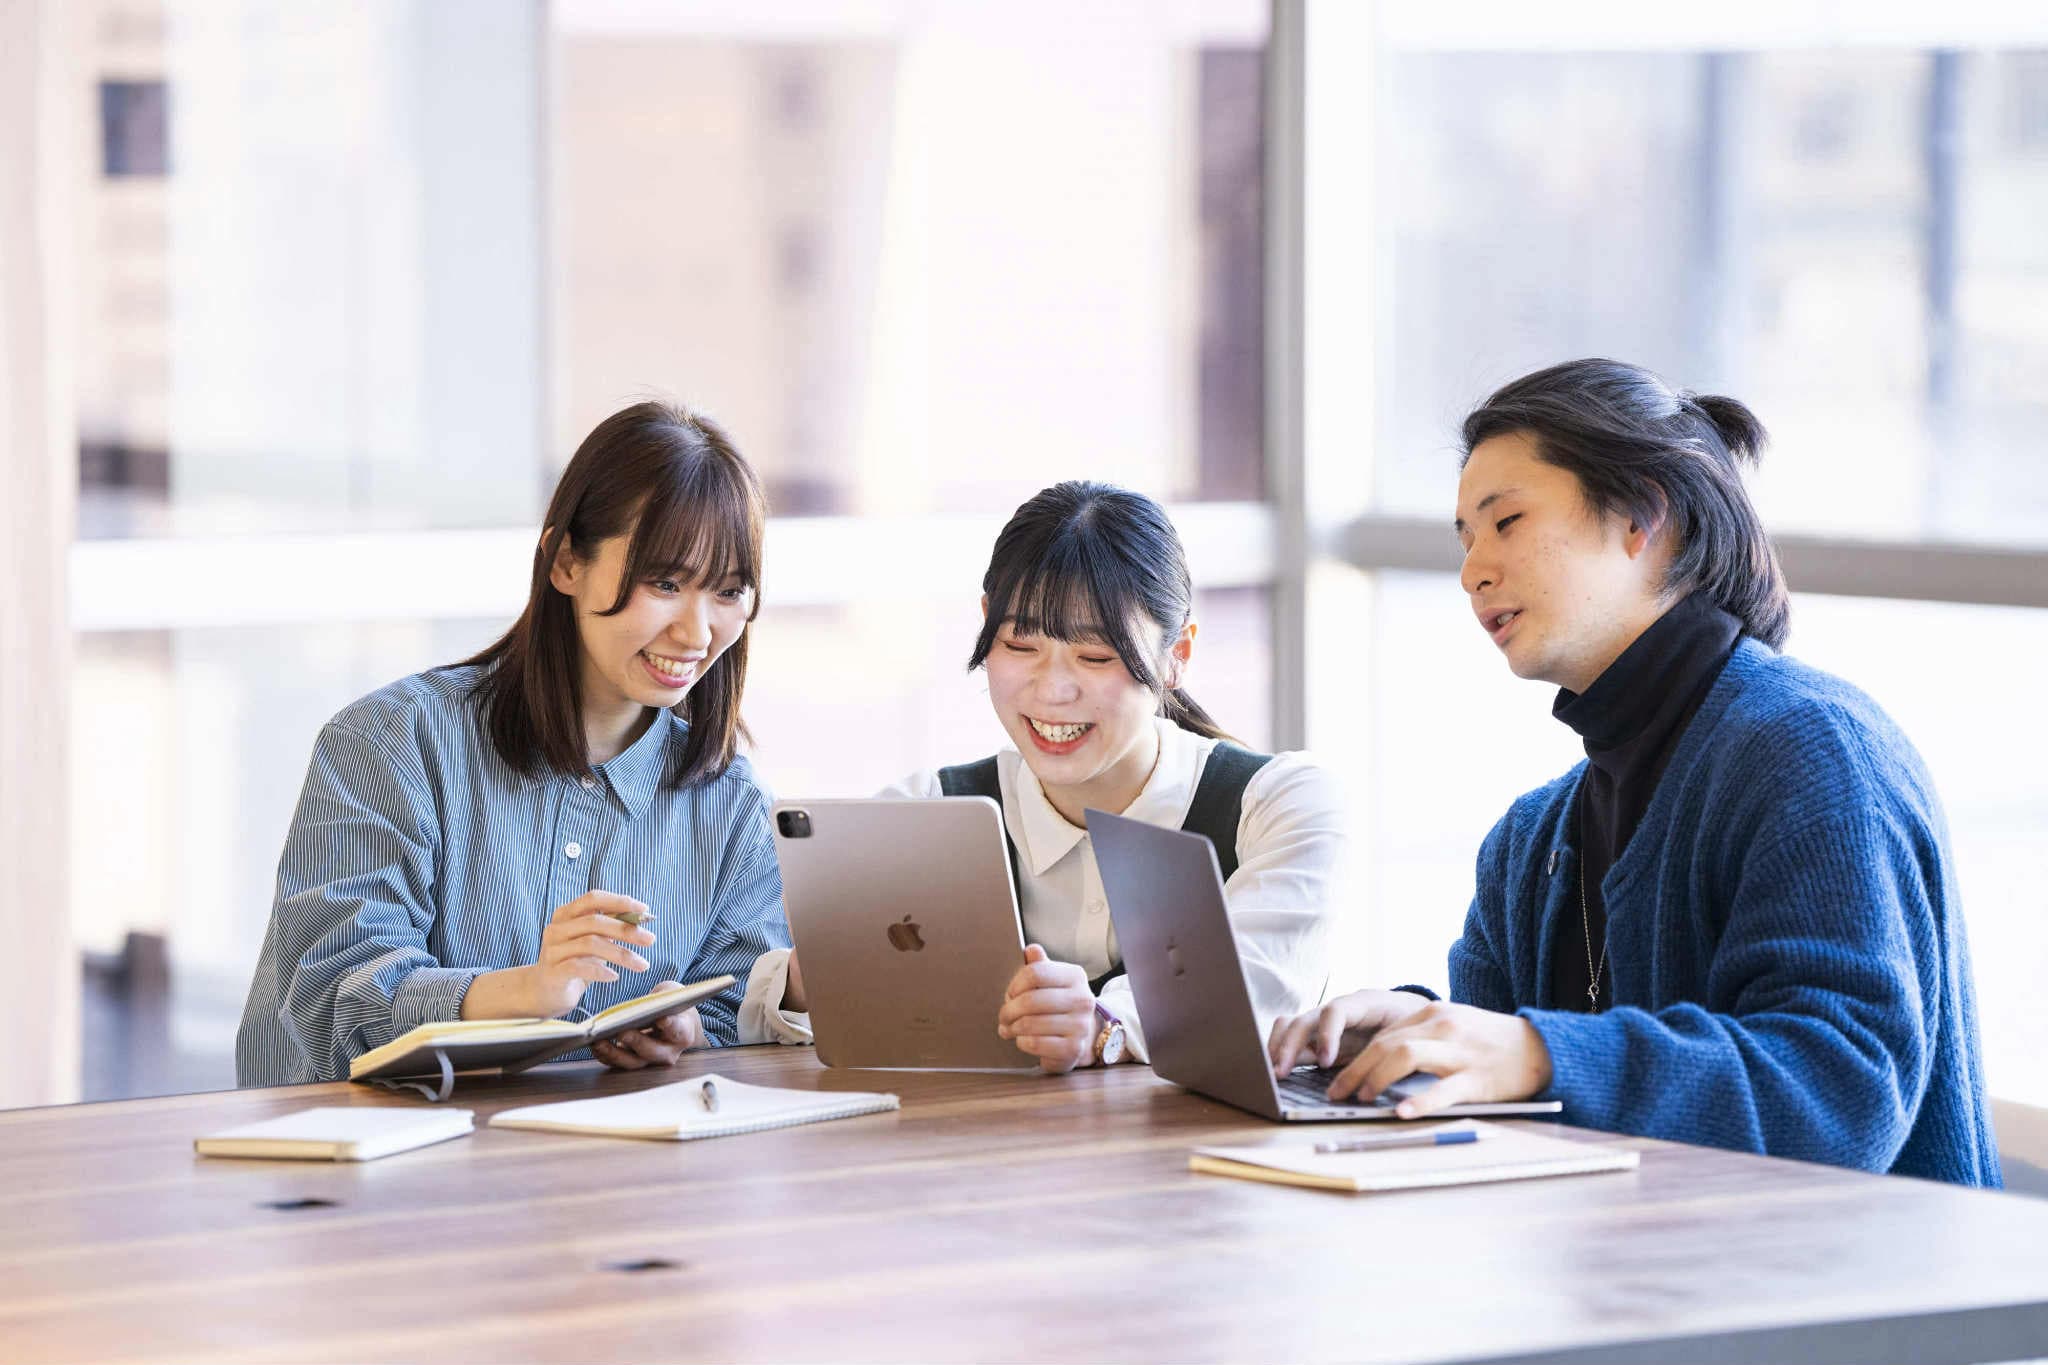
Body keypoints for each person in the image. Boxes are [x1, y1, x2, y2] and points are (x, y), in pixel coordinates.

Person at [1268, 358, 2000, 1186]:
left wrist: (1541, 1054)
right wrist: (1414, 1042)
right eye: (1465, 539)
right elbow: (1509, 1106)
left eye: (1505, 522)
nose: (1473, 570)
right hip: (1629, 1293)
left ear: (1642, 515)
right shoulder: (1529, 841)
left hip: (1853, 1302)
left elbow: (1840, 1091)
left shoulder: (1812, 751)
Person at [237, 401, 809, 1086]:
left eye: (727, 592)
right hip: (359, 1177)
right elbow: (332, 1004)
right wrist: (527, 992)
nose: (696, 632)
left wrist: (685, 1032)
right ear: (566, 562)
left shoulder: (732, 802)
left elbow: (742, 1008)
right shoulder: (389, 744)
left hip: (595, 1176)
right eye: (664, 583)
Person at [754, 481, 1344, 1070]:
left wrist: (1102, 1026)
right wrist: (812, 979)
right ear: (987, 624)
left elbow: (1256, 988)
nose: (1053, 691)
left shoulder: (1278, 805)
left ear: (1177, 655)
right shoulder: (923, 813)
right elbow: (762, 1002)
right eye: (1020, 644)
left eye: (1096, 657)